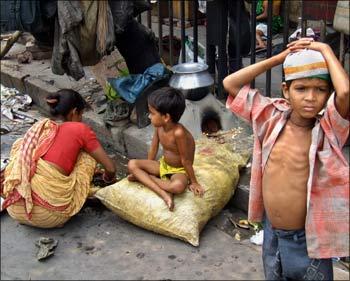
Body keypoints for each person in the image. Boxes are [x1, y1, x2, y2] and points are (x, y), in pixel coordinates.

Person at [223, 38, 349, 280]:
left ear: (327, 95)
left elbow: (344, 92)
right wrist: (280, 58)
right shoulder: (270, 118)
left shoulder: (328, 130)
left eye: (320, 90)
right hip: (273, 236)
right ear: (285, 90)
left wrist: (324, 49)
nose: (311, 97)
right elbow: (231, 83)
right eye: (301, 88)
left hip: (309, 243)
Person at [1, 89, 117, 228]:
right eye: (81, 114)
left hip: (15, 209)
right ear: (75, 112)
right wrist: (107, 179)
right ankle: (63, 203)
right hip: (48, 216)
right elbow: (111, 168)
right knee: (86, 156)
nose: (81, 119)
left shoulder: (41, 129)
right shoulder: (79, 129)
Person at [127, 87, 204, 211]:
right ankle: (163, 193)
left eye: (152, 113)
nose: (149, 116)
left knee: (178, 187)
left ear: (166, 117)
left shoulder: (179, 133)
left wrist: (194, 182)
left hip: (179, 170)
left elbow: (186, 161)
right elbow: (154, 147)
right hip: (163, 165)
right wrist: (149, 166)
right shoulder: (160, 126)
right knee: (132, 164)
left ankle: (145, 179)